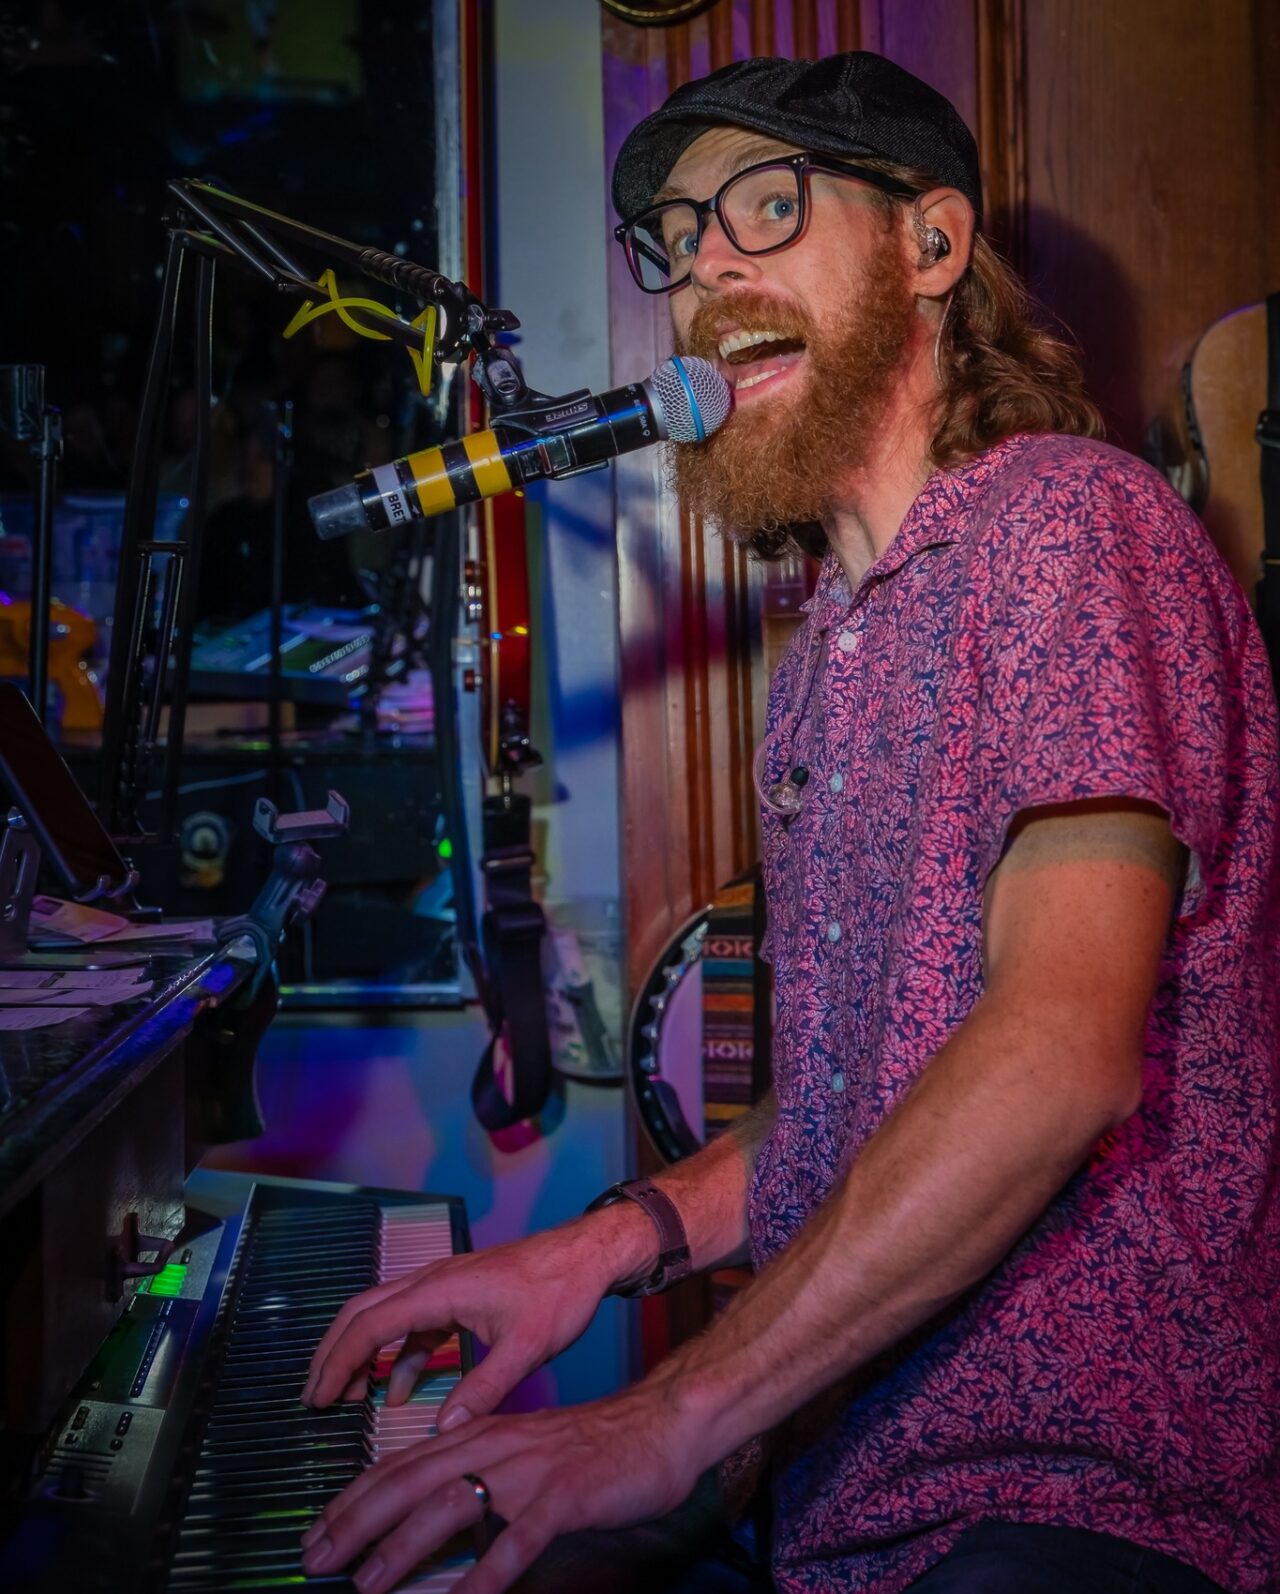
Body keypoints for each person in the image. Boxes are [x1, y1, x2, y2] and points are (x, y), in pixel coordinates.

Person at [297, 53, 1279, 1594]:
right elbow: (846, 1116)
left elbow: (1054, 1056)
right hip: (845, 1482)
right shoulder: (830, 645)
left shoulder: (1070, 530)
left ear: (930, 248)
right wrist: (595, 1250)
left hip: (1074, 1496)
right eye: (681, 238)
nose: (707, 273)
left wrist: (671, 1409)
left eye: (766, 205)